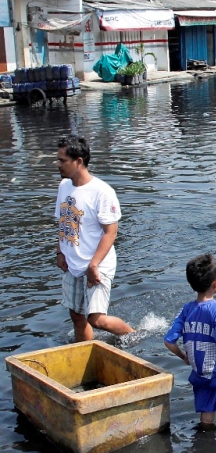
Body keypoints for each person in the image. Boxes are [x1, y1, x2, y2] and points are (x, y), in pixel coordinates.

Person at [55, 136, 134, 341]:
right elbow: (63, 222)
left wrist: (94, 265)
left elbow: (111, 232)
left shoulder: (102, 192)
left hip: (97, 264)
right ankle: (85, 355)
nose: (58, 164)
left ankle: (134, 336)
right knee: (76, 315)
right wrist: (59, 251)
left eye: (63, 160)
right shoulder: (64, 186)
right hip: (73, 262)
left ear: (78, 161)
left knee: (96, 319)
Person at [164, 254, 216, 441]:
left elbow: (169, 341)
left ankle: (204, 449)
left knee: (207, 417)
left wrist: (184, 356)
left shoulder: (186, 309)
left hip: (199, 371)